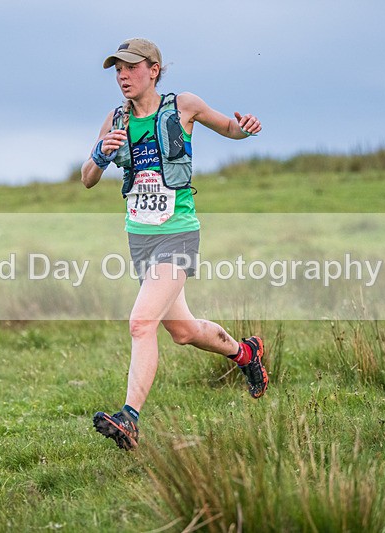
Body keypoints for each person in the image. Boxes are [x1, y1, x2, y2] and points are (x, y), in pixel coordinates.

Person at [81, 38, 268, 450]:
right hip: (139, 239)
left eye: (130, 68)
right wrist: (100, 153)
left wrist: (246, 128)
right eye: (118, 70)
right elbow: (87, 178)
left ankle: (129, 418)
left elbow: (229, 128)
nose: (123, 77)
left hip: (179, 233)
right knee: (183, 331)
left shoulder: (183, 104)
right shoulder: (114, 119)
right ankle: (245, 354)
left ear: (154, 69)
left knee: (141, 322)